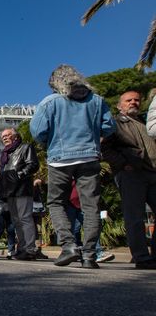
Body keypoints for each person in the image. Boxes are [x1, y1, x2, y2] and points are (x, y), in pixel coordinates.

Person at [31, 64, 116, 268]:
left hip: (59, 159)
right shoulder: (96, 100)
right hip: (89, 157)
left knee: (56, 203)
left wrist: (50, 142)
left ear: (55, 83)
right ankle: (89, 255)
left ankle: (68, 246)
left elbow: (37, 131)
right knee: (91, 206)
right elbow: (109, 126)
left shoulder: (50, 102)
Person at [102, 90, 156, 269]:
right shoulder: (115, 124)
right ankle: (141, 256)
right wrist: (123, 164)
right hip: (131, 174)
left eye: (136, 100)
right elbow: (105, 148)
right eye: (128, 100)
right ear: (119, 105)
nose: (133, 102)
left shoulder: (147, 122)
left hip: (153, 173)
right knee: (135, 217)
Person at [0, 128, 39, 260]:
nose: (5, 138)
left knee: (25, 218)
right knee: (16, 220)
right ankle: (22, 248)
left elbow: (33, 164)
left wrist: (18, 176)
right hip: (10, 190)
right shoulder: (5, 154)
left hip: (21, 188)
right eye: (3, 137)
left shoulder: (25, 147)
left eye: (7, 135)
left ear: (15, 136)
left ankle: (30, 249)